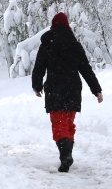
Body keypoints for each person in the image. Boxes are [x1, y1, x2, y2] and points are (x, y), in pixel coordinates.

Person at [31, 12, 103, 172]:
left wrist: (37, 85)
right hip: (73, 90)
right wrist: (96, 89)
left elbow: (39, 67)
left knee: (59, 124)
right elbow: (86, 69)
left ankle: (65, 155)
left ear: (53, 26)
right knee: (68, 123)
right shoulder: (74, 45)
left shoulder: (47, 44)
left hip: (55, 89)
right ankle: (67, 152)